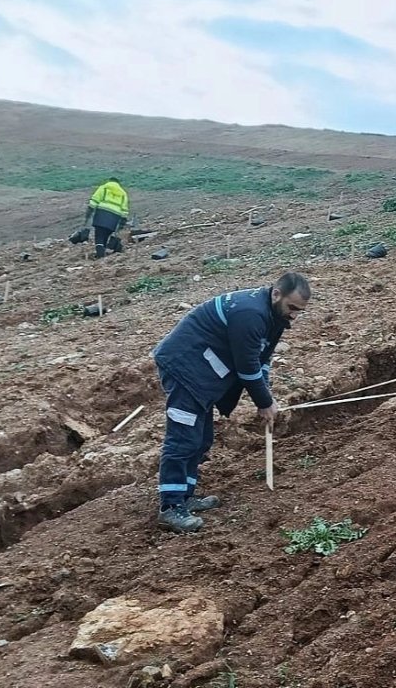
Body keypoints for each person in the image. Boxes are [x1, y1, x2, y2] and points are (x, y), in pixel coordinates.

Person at [151, 273, 311, 532]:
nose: (294, 315)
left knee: (201, 439)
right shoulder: (250, 314)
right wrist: (264, 402)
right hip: (184, 368)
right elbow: (247, 367)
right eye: (292, 308)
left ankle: (184, 497)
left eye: (299, 311)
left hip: (203, 374)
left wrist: (266, 395)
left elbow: (262, 360)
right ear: (276, 293)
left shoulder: (276, 318)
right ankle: (170, 507)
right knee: (183, 438)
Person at [86, 177, 130, 259]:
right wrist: (121, 225)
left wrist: (88, 215)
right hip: (114, 219)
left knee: (99, 237)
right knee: (105, 236)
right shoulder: (123, 193)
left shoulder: (103, 188)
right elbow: (125, 211)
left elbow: (93, 202)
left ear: (109, 181)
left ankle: (100, 256)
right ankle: (103, 253)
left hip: (101, 216)